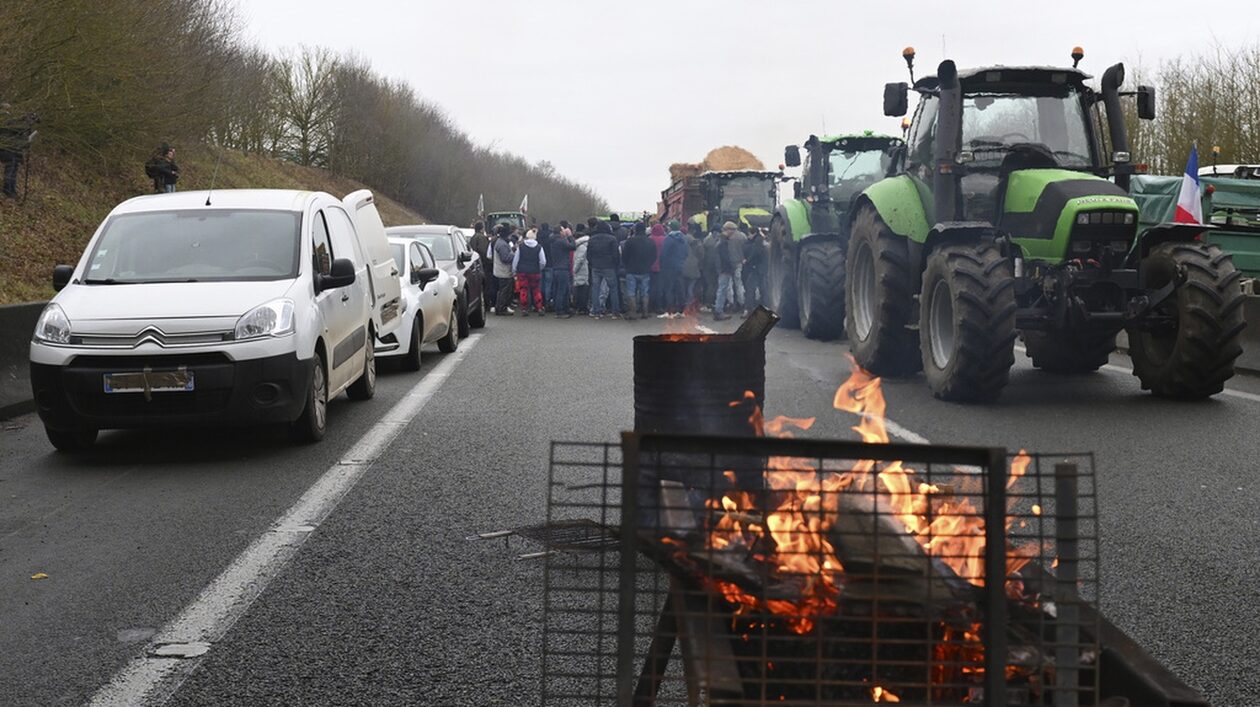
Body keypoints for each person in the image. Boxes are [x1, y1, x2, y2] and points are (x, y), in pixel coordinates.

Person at [586, 221, 621, 319]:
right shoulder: (612, 239)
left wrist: (591, 263)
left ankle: (596, 312)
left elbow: (588, 254)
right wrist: (615, 265)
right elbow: (616, 255)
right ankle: (615, 312)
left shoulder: (592, 239)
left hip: (596, 266)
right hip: (609, 266)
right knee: (613, 289)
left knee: (595, 289)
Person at [0, 106, 36, 199]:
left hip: (12, 149)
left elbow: (16, 129)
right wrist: (27, 121)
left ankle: (11, 190)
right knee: (11, 169)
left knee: (13, 169)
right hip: (7, 149)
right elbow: (16, 128)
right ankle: (8, 190)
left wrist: (25, 119)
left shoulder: (7, 119)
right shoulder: (4, 118)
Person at [622, 223, 656, 320]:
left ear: (635, 230)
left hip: (631, 270)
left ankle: (632, 312)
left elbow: (624, 256)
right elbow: (654, 256)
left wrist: (627, 265)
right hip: (645, 270)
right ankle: (645, 312)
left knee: (631, 292)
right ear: (644, 230)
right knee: (645, 292)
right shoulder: (650, 242)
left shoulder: (630, 241)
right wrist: (649, 265)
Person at [513, 228, 547, 315]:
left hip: (522, 271)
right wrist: (539, 268)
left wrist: (514, 270)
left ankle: (524, 308)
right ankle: (539, 307)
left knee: (523, 290)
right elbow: (543, 261)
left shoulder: (521, 247)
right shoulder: (539, 247)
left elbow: (516, 260)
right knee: (536, 290)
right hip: (535, 271)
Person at [659, 219, 689, 317]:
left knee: (669, 288)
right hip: (680, 266)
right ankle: (681, 310)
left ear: (670, 228)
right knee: (680, 288)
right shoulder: (684, 238)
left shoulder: (668, 238)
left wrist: (663, 265)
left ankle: (670, 311)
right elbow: (686, 253)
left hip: (669, 267)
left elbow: (663, 253)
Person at [547, 226, 576, 318]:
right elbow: (573, 246)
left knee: (562, 290)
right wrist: (570, 236)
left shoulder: (553, 241)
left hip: (556, 267)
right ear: (560, 232)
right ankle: (560, 311)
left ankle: (565, 308)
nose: (565, 231)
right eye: (563, 230)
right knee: (562, 290)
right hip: (563, 268)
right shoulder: (561, 241)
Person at [713, 222, 740, 321]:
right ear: (728, 230)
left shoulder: (720, 240)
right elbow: (725, 257)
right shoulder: (723, 242)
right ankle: (718, 311)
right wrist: (730, 268)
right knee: (722, 289)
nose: (734, 233)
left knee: (722, 289)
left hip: (721, 269)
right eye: (733, 230)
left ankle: (718, 310)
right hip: (724, 269)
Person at [492, 225, 518, 315]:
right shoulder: (502, 244)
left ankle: (499, 307)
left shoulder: (500, 242)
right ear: (506, 235)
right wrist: (514, 255)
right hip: (503, 271)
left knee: (501, 290)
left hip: (500, 270)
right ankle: (502, 308)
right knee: (504, 291)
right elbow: (505, 258)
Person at [467, 222, 492, 313]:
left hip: (475, 263)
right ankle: (486, 304)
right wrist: (489, 262)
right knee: (486, 285)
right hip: (483, 264)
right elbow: (484, 251)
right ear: (482, 228)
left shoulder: (473, 238)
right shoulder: (481, 238)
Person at [742, 227, 768, 313]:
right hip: (761, 267)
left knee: (750, 286)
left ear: (752, 233)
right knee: (762, 287)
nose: (747, 236)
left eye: (748, 234)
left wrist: (747, 261)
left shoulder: (757, 241)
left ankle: (749, 308)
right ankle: (764, 305)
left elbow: (755, 252)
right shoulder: (760, 240)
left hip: (757, 267)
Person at [682, 222, 704, 313]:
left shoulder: (682, 239)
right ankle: (689, 305)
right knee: (691, 287)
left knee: (684, 286)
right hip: (694, 266)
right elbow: (701, 254)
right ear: (694, 230)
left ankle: (683, 304)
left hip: (682, 266)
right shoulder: (696, 242)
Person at [648, 223, 667, 313]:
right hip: (661, 267)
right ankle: (659, 307)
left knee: (650, 287)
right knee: (659, 288)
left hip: (650, 266)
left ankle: (650, 306)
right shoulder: (665, 240)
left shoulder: (650, 239)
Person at [572, 224, 591, 314]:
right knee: (582, 289)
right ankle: (582, 307)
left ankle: (581, 307)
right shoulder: (584, 245)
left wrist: (574, 270)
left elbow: (579, 259)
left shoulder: (581, 247)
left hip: (581, 270)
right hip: (583, 270)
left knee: (581, 289)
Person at [536, 223, 554, 311]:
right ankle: (547, 302)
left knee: (540, 284)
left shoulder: (538, 237)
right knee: (548, 284)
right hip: (550, 262)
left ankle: (540, 301)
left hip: (540, 263)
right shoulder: (551, 238)